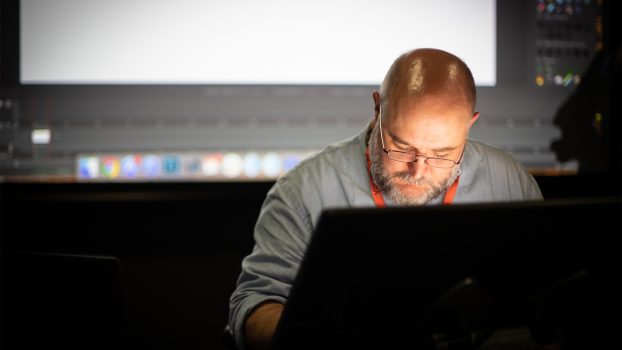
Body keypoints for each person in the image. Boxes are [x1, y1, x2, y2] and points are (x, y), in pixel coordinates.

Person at [228, 48, 543, 350]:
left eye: (442, 154)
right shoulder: (304, 190)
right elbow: (254, 306)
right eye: (402, 146)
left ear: (470, 124)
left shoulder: (510, 181)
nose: (418, 170)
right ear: (377, 107)